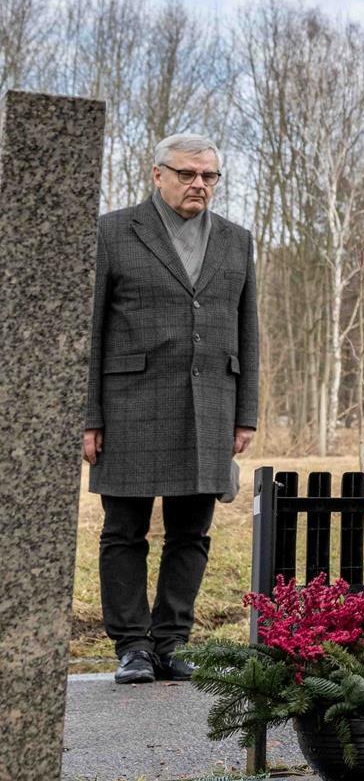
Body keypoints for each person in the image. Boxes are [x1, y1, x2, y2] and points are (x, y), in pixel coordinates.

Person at [84, 134, 258, 685]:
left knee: (192, 532)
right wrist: (88, 415)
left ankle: (172, 640)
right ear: (157, 174)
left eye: (208, 176)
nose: (198, 184)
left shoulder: (236, 240)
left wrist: (245, 411)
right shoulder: (113, 231)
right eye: (187, 174)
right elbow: (89, 332)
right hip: (128, 403)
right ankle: (132, 646)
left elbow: (247, 328)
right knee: (124, 530)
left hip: (210, 404)